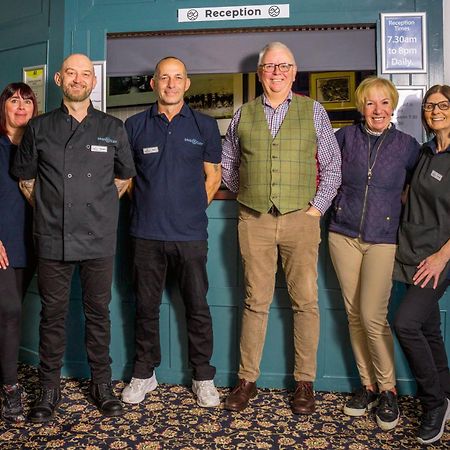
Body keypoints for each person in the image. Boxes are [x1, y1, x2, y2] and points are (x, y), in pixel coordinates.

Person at [11, 53, 136, 423]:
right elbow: (25, 178)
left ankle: (102, 384)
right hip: (52, 236)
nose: (78, 79)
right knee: (52, 316)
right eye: (71, 73)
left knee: (98, 314)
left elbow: (125, 177)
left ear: (93, 82)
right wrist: (51, 207)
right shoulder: (39, 127)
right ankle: (48, 390)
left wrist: (96, 206)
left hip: (98, 237)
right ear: (58, 80)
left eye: (85, 74)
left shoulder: (113, 127)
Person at [221, 42, 341, 414]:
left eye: (283, 66)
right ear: (260, 73)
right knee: (255, 301)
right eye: (270, 66)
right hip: (253, 220)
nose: (276, 72)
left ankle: (304, 383)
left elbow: (332, 166)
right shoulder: (243, 114)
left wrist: (315, 210)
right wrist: (250, 195)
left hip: (300, 220)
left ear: (294, 70)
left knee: (305, 302)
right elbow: (228, 163)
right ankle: (247, 381)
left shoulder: (314, 110)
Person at [121, 56, 222, 407]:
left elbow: (214, 178)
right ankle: (144, 374)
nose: (171, 83)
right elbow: (129, 180)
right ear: (153, 83)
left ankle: (203, 377)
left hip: (191, 234)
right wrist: (152, 206)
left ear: (187, 83)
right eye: (164, 77)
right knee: (145, 307)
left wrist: (191, 209)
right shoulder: (133, 126)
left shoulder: (205, 126)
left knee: (197, 307)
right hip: (145, 234)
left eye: (177, 77)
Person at [327, 77, 420, 430]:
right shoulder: (343, 139)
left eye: (383, 103)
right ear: (360, 107)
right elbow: (324, 175)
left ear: (392, 107)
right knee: (352, 314)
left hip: (383, 238)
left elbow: (420, 186)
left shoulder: (408, 146)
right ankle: (367, 387)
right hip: (343, 235)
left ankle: (389, 391)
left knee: (372, 316)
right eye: (370, 103)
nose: (377, 110)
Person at [393, 85, 450, 445]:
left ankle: (433, 404)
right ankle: (446, 393)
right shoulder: (427, 151)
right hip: (412, 253)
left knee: (405, 323)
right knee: (429, 330)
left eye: (443, 105)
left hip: (438, 257)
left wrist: (442, 257)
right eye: (430, 106)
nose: (435, 111)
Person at [0, 83, 37, 423]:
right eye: (14, 100)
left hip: (34, 243)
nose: (21, 106)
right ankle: (11, 388)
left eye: (27, 100)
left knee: (12, 312)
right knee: (9, 311)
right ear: (4, 108)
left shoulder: (38, 146)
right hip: (2, 244)